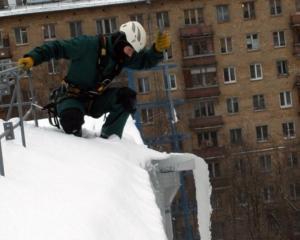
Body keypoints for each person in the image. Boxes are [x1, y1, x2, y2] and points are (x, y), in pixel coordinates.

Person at [18, 21, 170, 139]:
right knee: (72, 120)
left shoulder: (121, 56)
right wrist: (33, 57)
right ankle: (80, 156)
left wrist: (157, 50)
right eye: (130, 49)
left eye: (132, 52)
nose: (130, 55)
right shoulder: (88, 45)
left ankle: (110, 139)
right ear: (121, 40)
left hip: (95, 99)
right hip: (72, 97)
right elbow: (57, 48)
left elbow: (145, 61)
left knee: (127, 98)